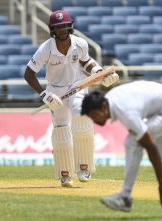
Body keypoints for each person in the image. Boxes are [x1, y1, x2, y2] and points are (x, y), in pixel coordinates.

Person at [81, 80, 162, 217]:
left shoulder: (126, 112)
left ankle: (125, 197)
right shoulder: (110, 101)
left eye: (94, 115)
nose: (95, 121)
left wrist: (161, 184)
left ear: (103, 107)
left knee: (133, 142)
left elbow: (150, 148)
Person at [24, 10, 119, 188]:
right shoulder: (45, 48)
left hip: (78, 86)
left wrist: (99, 72)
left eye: (65, 27)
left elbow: (87, 62)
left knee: (81, 116)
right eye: (58, 28)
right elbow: (28, 74)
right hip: (55, 92)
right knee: (61, 130)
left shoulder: (80, 43)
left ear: (70, 27)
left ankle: (84, 167)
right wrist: (44, 95)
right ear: (52, 30)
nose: (62, 31)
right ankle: (65, 174)